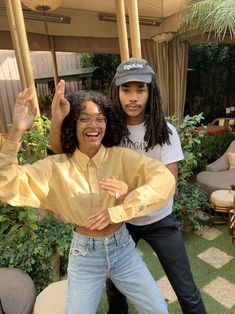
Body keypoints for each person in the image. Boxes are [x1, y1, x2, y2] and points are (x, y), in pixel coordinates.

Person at [50, 59, 207, 314]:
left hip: (160, 221)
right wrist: (57, 119)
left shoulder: (165, 132)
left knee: (185, 287)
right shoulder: (108, 130)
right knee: (115, 289)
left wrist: (130, 192)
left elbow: (170, 186)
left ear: (151, 92)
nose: (133, 97)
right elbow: (63, 152)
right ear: (117, 92)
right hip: (122, 225)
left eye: (140, 90)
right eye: (126, 90)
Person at [0, 87, 175, 314]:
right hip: (84, 257)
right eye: (84, 119)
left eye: (100, 119)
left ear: (108, 124)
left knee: (158, 310)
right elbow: (7, 184)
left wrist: (120, 209)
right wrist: (17, 130)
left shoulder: (121, 158)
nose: (94, 125)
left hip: (123, 249)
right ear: (72, 124)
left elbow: (165, 181)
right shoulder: (56, 168)